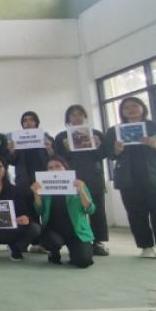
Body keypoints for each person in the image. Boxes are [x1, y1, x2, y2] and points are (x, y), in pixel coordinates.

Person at [104, 96, 156, 259]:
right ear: (122, 112)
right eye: (126, 107)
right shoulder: (114, 131)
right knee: (136, 214)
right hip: (128, 179)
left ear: (142, 107)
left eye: (134, 106)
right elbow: (109, 154)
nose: (131, 109)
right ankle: (146, 246)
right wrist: (116, 150)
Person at [53, 105, 109, 256]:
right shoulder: (61, 137)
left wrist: (97, 145)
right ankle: (75, 239)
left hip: (93, 176)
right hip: (71, 178)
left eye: (80, 114)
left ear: (85, 116)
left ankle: (98, 241)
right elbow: (57, 159)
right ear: (68, 119)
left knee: (97, 210)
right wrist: (66, 149)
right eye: (73, 115)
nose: (76, 117)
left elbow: (104, 154)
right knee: (72, 209)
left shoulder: (96, 134)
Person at [31, 156, 95, 268]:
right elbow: (39, 211)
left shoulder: (78, 184)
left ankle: (75, 251)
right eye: (50, 167)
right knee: (51, 241)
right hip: (53, 230)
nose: (54, 169)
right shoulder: (44, 187)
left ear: (65, 168)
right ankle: (53, 252)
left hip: (76, 231)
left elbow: (90, 210)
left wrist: (81, 191)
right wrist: (36, 193)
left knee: (83, 261)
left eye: (58, 166)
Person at [7, 110, 53, 253]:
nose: (28, 123)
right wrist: (10, 150)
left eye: (31, 120)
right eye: (25, 120)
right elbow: (11, 161)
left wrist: (49, 148)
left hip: (43, 180)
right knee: (28, 211)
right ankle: (34, 241)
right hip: (24, 180)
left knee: (45, 211)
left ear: (36, 122)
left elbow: (53, 159)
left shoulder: (46, 137)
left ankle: (47, 242)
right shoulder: (17, 139)